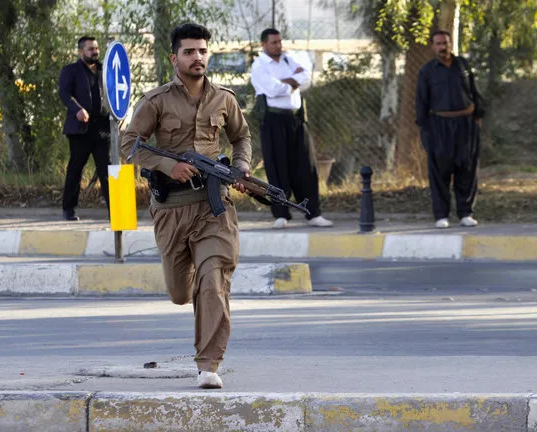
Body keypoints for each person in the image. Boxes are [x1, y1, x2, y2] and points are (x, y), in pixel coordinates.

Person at [121, 23, 251, 389]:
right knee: (181, 293)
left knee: (214, 279)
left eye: (203, 51)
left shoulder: (224, 98)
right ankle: (197, 286)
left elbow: (241, 136)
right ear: (174, 57)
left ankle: (209, 364)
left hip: (214, 209)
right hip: (171, 210)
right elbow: (129, 145)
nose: (198, 57)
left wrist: (241, 167)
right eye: (190, 51)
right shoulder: (157, 100)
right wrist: (168, 165)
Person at [250, 28, 333, 229]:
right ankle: (281, 214)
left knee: (306, 165)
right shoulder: (259, 65)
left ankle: (313, 213)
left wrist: (288, 83)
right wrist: (292, 82)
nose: (278, 45)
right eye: (274, 43)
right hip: (273, 120)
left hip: (296, 120)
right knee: (278, 167)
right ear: (264, 44)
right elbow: (272, 89)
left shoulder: (288, 60)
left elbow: (306, 78)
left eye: (279, 42)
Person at [416, 30, 484, 229]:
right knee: (440, 171)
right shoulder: (427, 71)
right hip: (440, 127)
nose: (442, 47)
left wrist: (478, 115)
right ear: (432, 46)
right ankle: (441, 215)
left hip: (466, 125)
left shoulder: (463, 65)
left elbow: (473, 91)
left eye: (445, 43)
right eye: (438, 44)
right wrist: (426, 132)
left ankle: (465, 213)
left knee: (467, 169)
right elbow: (421, 103)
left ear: (450, 43)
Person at [59, 36, 111, 221]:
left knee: (107, 170)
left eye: (96, 48)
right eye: (90, 49)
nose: (95, 52)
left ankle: (115, 212)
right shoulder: (71, 70)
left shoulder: (105, 70)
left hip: (102, 127)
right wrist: (78, 109)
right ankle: (69, 209)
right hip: (80, 129)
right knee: (76, 169)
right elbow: (64, 94)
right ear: (81, 51)